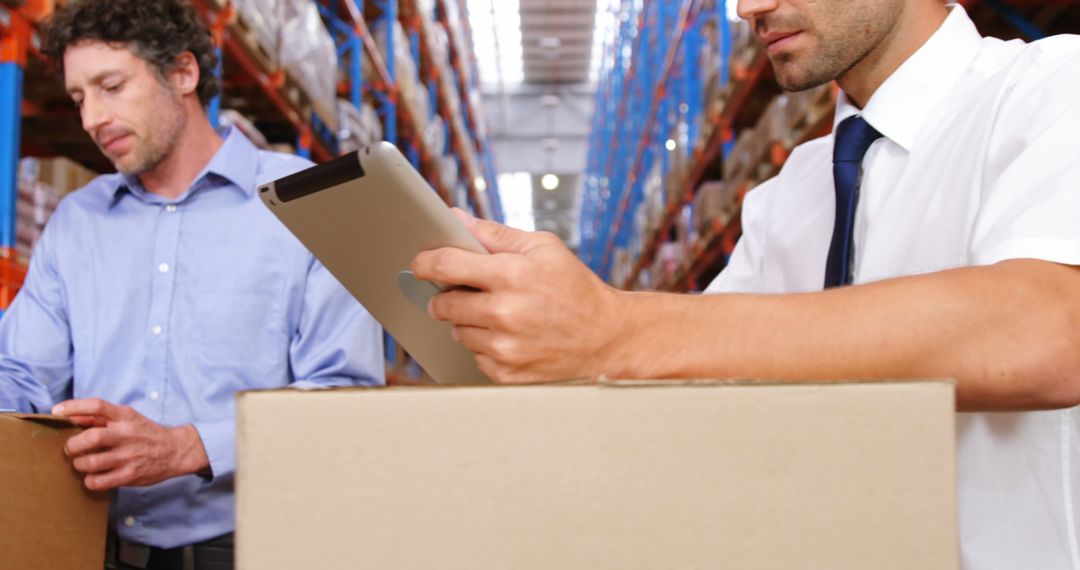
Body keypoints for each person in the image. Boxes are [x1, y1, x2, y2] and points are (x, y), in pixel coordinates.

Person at [413, 0, 1080, 568]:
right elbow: (698, 396)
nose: (748, 8)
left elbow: (1046, 331)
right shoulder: (790, 192)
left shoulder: (1052, 88)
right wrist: (521, 333)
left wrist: (616, 329)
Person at [0, 0, 385, 568]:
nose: (91, 119)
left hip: (253, 551)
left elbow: (344, 396)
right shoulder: (77, 223)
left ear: (183, 73)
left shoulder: (311, 204)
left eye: (111, 86)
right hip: (93, 548)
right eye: (80, 97)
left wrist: (187, 446)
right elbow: (21, 373)